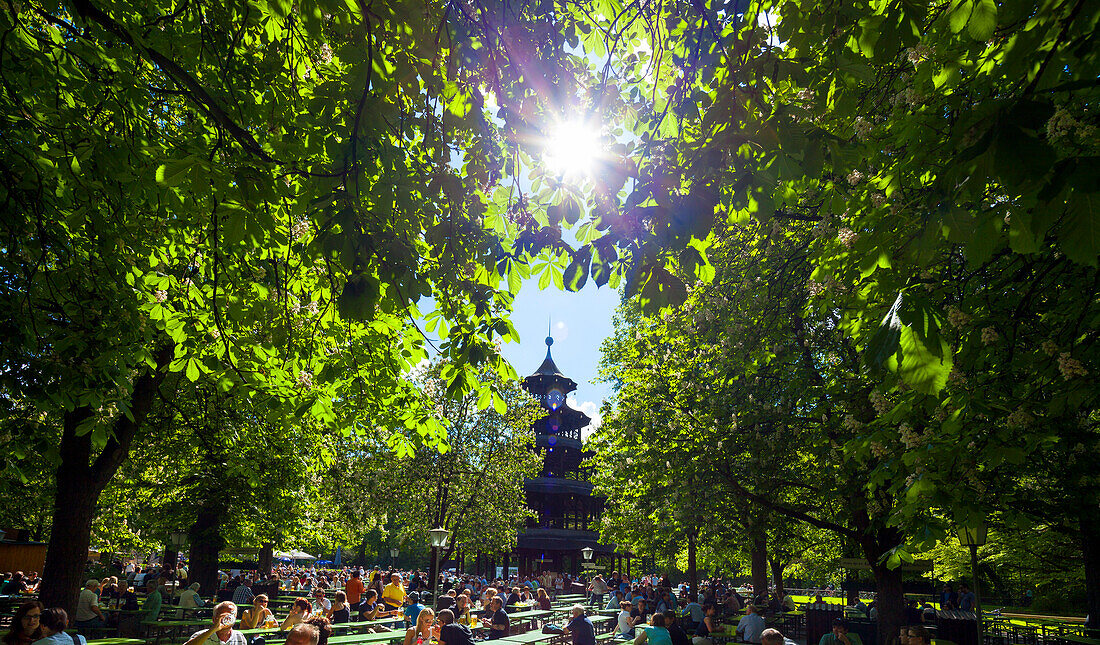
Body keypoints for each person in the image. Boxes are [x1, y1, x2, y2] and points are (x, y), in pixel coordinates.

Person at [181, 601, 247, 645]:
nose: (227, 618)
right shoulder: (201, 635)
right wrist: (213, 630)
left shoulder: (239, 636)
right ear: (214, 619)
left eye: (231, 615)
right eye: (223, 615)